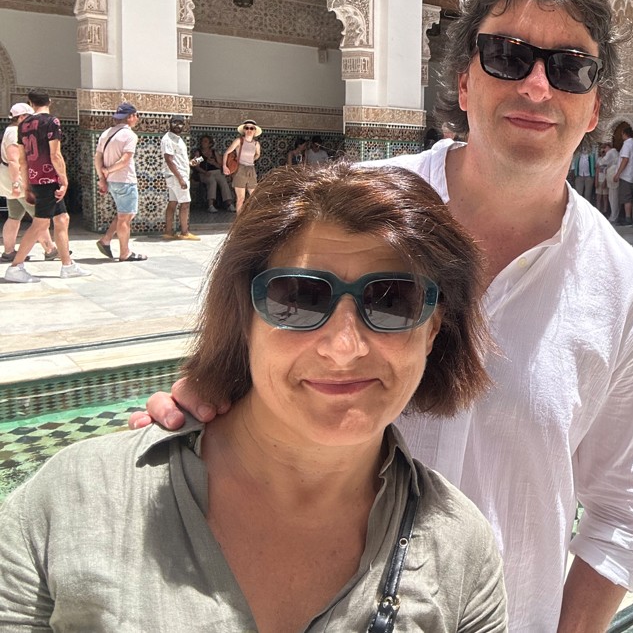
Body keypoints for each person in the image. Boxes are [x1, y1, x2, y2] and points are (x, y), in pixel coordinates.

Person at [134, 0, 633, 632]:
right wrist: (202, 397)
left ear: (594, 105)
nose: (537, 86)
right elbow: (252, 361)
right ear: (465, 80)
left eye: (569, 67)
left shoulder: (622, 290)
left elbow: (625, 511)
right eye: (508, 55)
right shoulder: (348, 213)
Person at [0, 162, 507, 630]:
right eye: (299, 298)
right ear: (245, 316)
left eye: (393, 301)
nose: (343, 348)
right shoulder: (73, 501)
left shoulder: (460, 551)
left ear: (435, 327)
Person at [3, 90, 88, 282]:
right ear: (49, 101)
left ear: (30, 103)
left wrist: (26, 185)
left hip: (35, 179)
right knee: (41, 223)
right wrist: (64, 179)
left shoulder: (23, 125)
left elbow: (23, 160)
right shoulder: (52, 122)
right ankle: (16, 266)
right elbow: (55, 155)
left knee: (62, 218)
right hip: (49, 179)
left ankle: (67, 265)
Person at [2, 103, 56, 264]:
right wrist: (17, 184)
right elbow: (13, 160)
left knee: (14, 216)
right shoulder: (14, 133)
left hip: (12, 180)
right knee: (39, 217)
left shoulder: (11, 131)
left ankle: (9, 251)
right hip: (17, 179)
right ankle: (50, 249)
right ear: (21, 118)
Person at [95, 102, 145, 263]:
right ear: (130, 117)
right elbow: (125, 160)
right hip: (125, 180)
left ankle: (106, 239)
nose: (137, 118)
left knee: (124, 214)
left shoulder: (106, 133)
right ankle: (125, 252)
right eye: (136, 115)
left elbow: (97, 158)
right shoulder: (130, 135)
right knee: (125, 218)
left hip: (112, 182)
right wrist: (108, 170)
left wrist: (102, 177)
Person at [161, 115, 199, 241]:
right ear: (170, 123)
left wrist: (190, 163)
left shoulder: (178, 139)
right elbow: (169, 160)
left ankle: (168, 232)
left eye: (180, 123)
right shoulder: (168, 139)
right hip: (177, 176)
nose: (178, 125)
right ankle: (184, 232)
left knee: (173, 203)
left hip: (176, 175)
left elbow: (178, 160)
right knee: (185, 203)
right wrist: (181, 179)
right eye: (175, 122)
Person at [224, 119, 262, 212]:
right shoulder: (239, 141)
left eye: (251, 128)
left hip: (251, 170)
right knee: (241, 198)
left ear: (254, 130)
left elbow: (258, 154)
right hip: (240, 169)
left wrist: (253, 158)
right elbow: (227, 152)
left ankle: (250, 219)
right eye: (247, 128)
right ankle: (239, 221)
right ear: (244, 130)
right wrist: (224, 166)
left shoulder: (256, 144)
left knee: (254, 197)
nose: (249, 130)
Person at [193, 134, 235, 212]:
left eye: (205, 142)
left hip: (217, 172)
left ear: (210, 144)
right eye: (202, 141)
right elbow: (195, 165)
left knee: (223, 181)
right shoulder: (199, 153)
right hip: (205, 173)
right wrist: (204, 172)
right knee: (212, 182)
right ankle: (211, 205)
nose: (203, 143)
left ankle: (229, 204)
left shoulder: (214, 152)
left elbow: (221, 166)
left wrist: (213, 163)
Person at [615, 121, 633, 225]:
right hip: (632, 175)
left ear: (625, 134)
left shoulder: (627, 145)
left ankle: (627, 219)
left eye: (622, 134)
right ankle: (626, 218)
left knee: (626, 198)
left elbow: (625, 160)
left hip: (626, 176)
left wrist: (617, 174)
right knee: (627, 197)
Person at [596, 140, 617, 215]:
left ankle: (609, 213)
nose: (604, 150)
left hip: (609, 178)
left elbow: (602, 163)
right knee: (601, 197)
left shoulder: (611, 153)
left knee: (609, 197)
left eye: (605, 148)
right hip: (603, 179)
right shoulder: (613, 153)